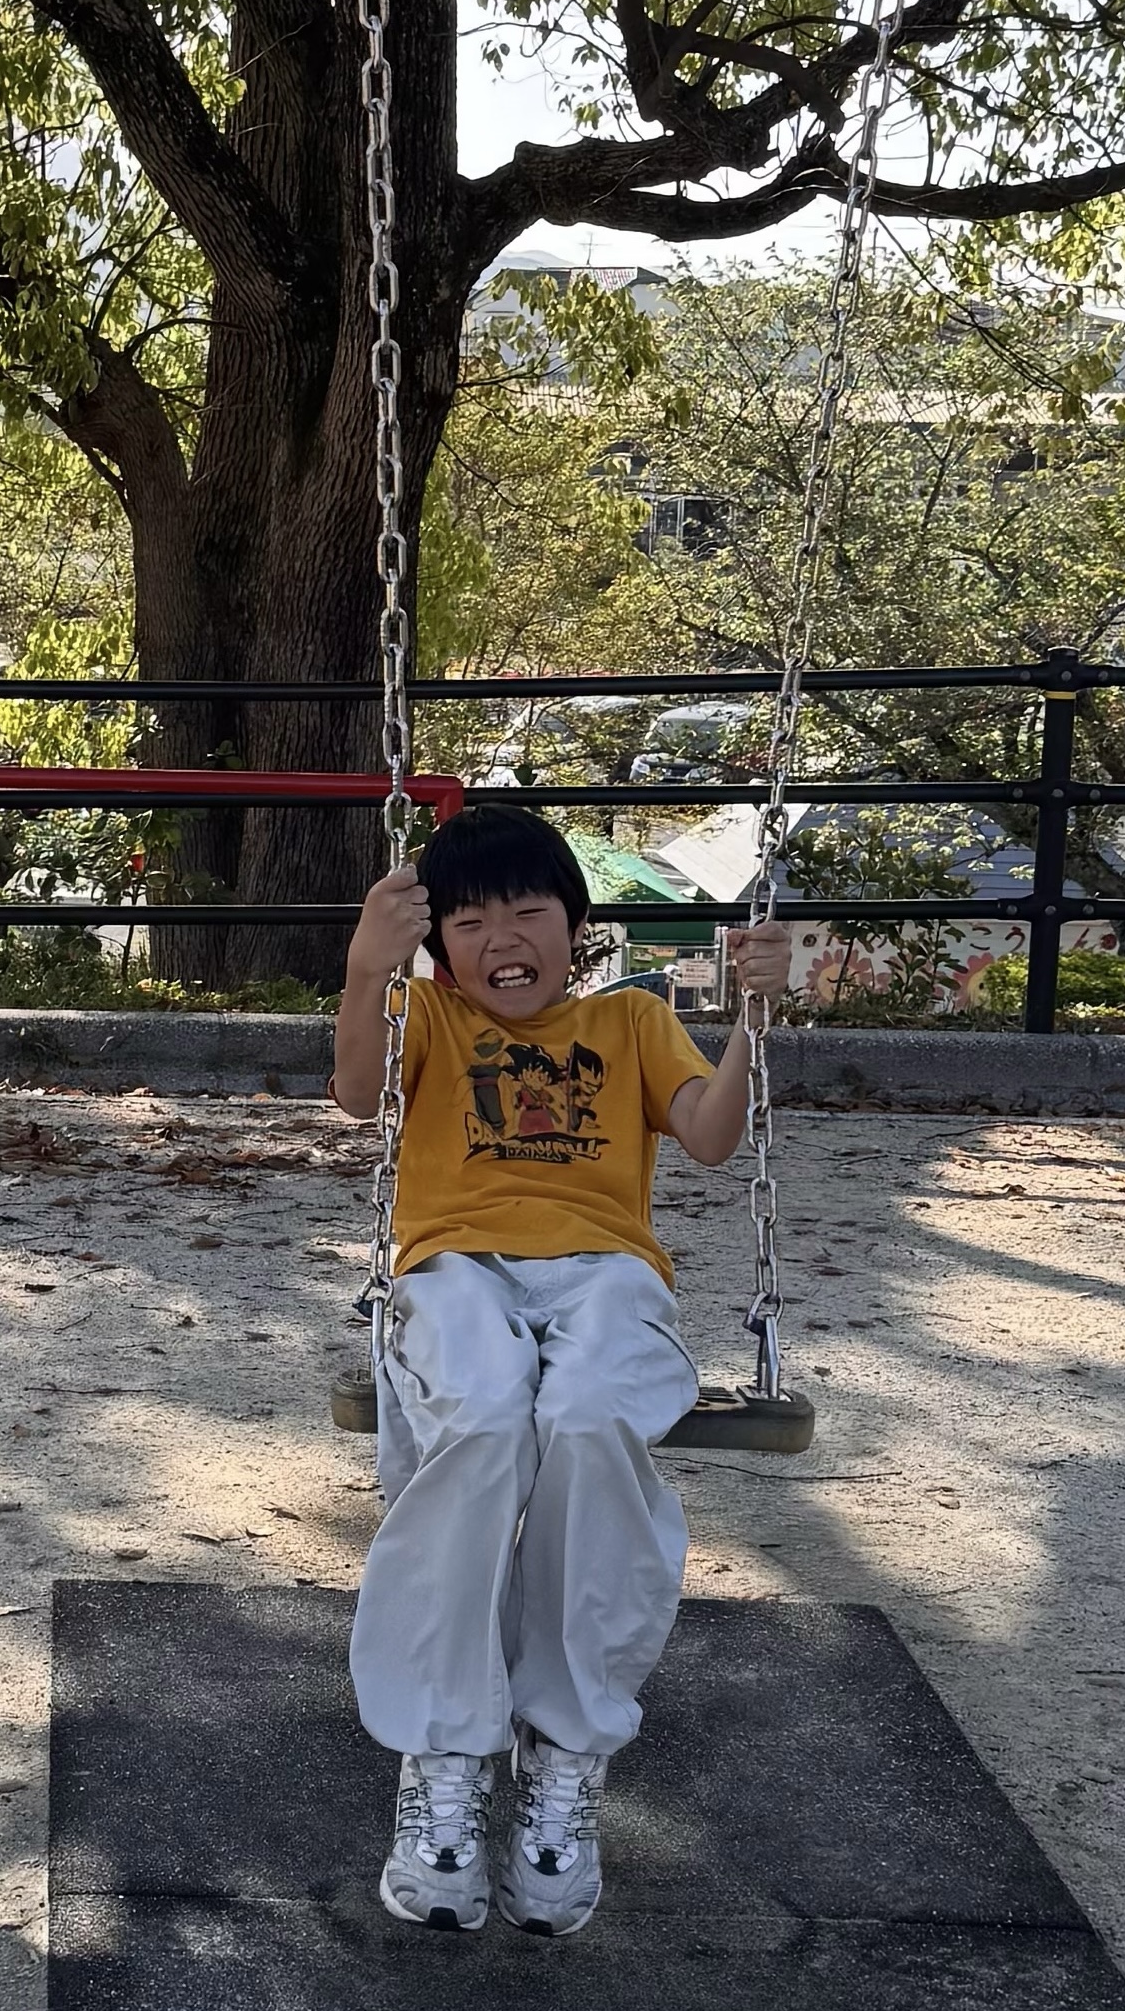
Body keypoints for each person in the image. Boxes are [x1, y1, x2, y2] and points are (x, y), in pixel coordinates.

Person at [330, 805, 791, 1937]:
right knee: (485, 1421)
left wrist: (755, 1019)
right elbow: (354, 1094)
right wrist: (366, 968)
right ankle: (445, 1753)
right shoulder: (426, 1015)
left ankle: (563, 1751)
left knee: (587, 1422)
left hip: (605, 1275)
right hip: (454, 1268)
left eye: (528, 911)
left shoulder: (631, 1019)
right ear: (441, 944)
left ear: (574, 924)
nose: (502, 938)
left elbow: (711, 1135)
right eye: (469, 921)